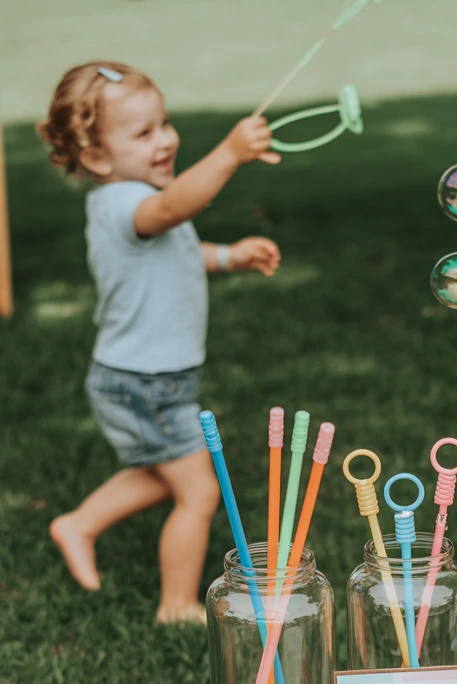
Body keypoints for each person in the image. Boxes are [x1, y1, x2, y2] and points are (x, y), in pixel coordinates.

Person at [39, 62, 281, 622]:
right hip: (143, 382)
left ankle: (77, 524)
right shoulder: (126, 202)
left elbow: (176, 252)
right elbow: (174, 209)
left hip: (148, 378)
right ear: (98, 158)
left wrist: (229, 256)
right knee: (198, 492)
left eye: (165, 123)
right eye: (144, 133)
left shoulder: (137, 201)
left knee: (157, 471)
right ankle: (176, 605)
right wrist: (229, 154)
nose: (166, 139)